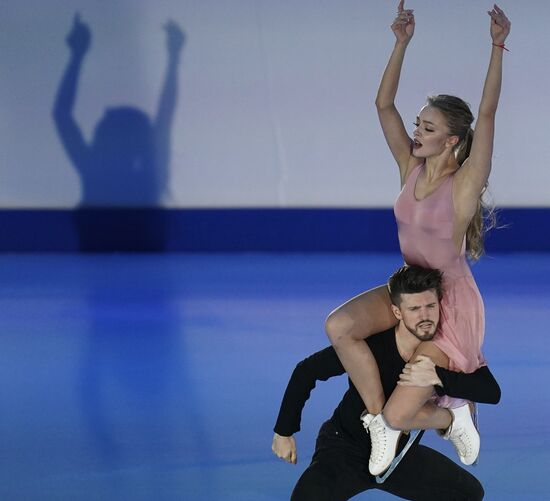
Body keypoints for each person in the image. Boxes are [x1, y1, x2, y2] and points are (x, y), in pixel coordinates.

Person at [325, 1, 510, 475]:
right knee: (340, 327)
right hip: (409, 286)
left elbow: (486, 117)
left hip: (447, 302)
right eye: (418, 124)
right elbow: (383, 105)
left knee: (404, 409)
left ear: (451, 141)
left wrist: (497, 47)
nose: (417, 131)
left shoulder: (463, 185)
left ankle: (451, 417)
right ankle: (377, 420)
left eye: (428, 128)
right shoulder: (411, 166)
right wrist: (400, 42)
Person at [272, 265, 500, 500]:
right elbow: (306, 371)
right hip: (344, 448)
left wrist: (439, 377)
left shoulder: (443, 354)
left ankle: (452, 420)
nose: (425, 317)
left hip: (398, 457)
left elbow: (491, 391)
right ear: (398, 312)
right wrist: (284, 432)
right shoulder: (371, 347)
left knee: (469, 494)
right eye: (414, 309)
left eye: (430, 306)